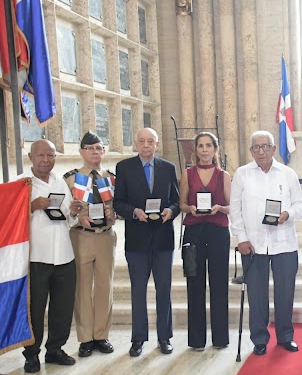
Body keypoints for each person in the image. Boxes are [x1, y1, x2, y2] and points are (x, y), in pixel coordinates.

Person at [229, 130, 302, 356]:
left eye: (265, 146)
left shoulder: (287, 173)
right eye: (256, 147)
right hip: (253, 245)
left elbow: (300, 205)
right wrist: (241, 239)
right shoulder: (242, 175)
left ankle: (285, 336)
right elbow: (235, 210)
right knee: (257, 295)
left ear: (273, 149)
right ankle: (260, 339)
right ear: (251, 151)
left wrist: (288, 214)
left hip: (284, 244)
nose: (261, 151)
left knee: (285, 293)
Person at [16, 139, 82, 373]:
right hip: (37, 256)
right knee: (35, 308)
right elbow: (10, 220)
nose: (46, 160)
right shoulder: (22, 185)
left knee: (62, 306)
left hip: (63, 254)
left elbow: (66, 218)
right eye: (41, 156)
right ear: (31, 158)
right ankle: (31, 354)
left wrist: (73, 212)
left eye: (51, 156)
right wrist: (31, 206)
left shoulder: (60, 182)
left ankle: (55, 349)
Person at [113, 128, 180, 357]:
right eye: (141, 141)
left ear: (157, 143)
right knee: (138, 291)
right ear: (135, 143)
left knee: (164, 289)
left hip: (163, 239)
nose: (146, 145)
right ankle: (138, 338)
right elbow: (118, 202)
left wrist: (171, 211)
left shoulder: (168, 168)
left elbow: (177, 201)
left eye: (150, 141)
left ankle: (164, 337)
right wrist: (134, 212)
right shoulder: (124, 168)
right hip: (137, 240)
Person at [64, 131, 117, 358]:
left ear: (104, 151)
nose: (95, 152)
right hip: (82, 237)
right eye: (90, 148)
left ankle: (101, 335)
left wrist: (113, 214)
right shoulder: (71, 178)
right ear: (81, 152)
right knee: (83, 289)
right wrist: (77, 217)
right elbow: (65, 210)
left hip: (105, 236)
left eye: (99, 148)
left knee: (105, 286)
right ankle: (85, 338)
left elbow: (120, 205)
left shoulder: (111, 177)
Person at [178, 132, 231, 351]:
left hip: (218, 231)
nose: (205, 150)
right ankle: (197, 340)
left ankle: (220, 339)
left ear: (215, 150)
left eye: (209, 146)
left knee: (219, 285)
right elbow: (181, 204)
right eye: (201, 146)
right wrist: (190, 208)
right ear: (196, 150)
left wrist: (219, 208)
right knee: (195, 285)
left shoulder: (223, 175)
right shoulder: (187, 174)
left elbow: (231, 206)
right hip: (194, 232)